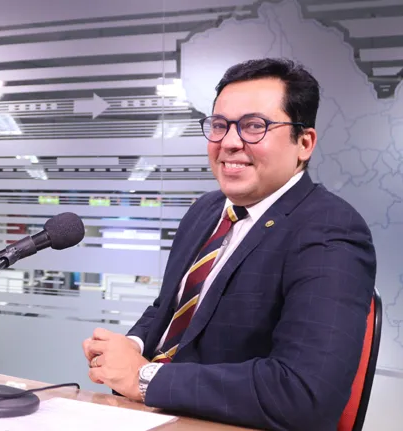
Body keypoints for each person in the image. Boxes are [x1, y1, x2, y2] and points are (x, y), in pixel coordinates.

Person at [82, 58, 376, 430]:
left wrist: (145, 379)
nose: (230, 142)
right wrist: (129, 349)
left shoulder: (331, 229)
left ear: (304, 143)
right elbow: (168, 309)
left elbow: (304, 393)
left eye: (255, 126)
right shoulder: (206, 210)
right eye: (219, 126)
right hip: (154, 416)